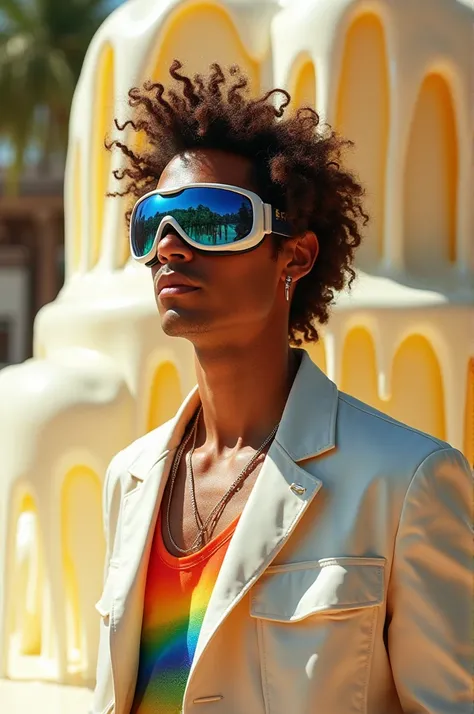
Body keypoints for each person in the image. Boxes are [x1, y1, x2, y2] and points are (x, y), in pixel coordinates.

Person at [91, 60, 472, 714]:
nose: (171, 246)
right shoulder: (128, 480)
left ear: (293, 255)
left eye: (211, 217)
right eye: (153, 221)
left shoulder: (407, 483)